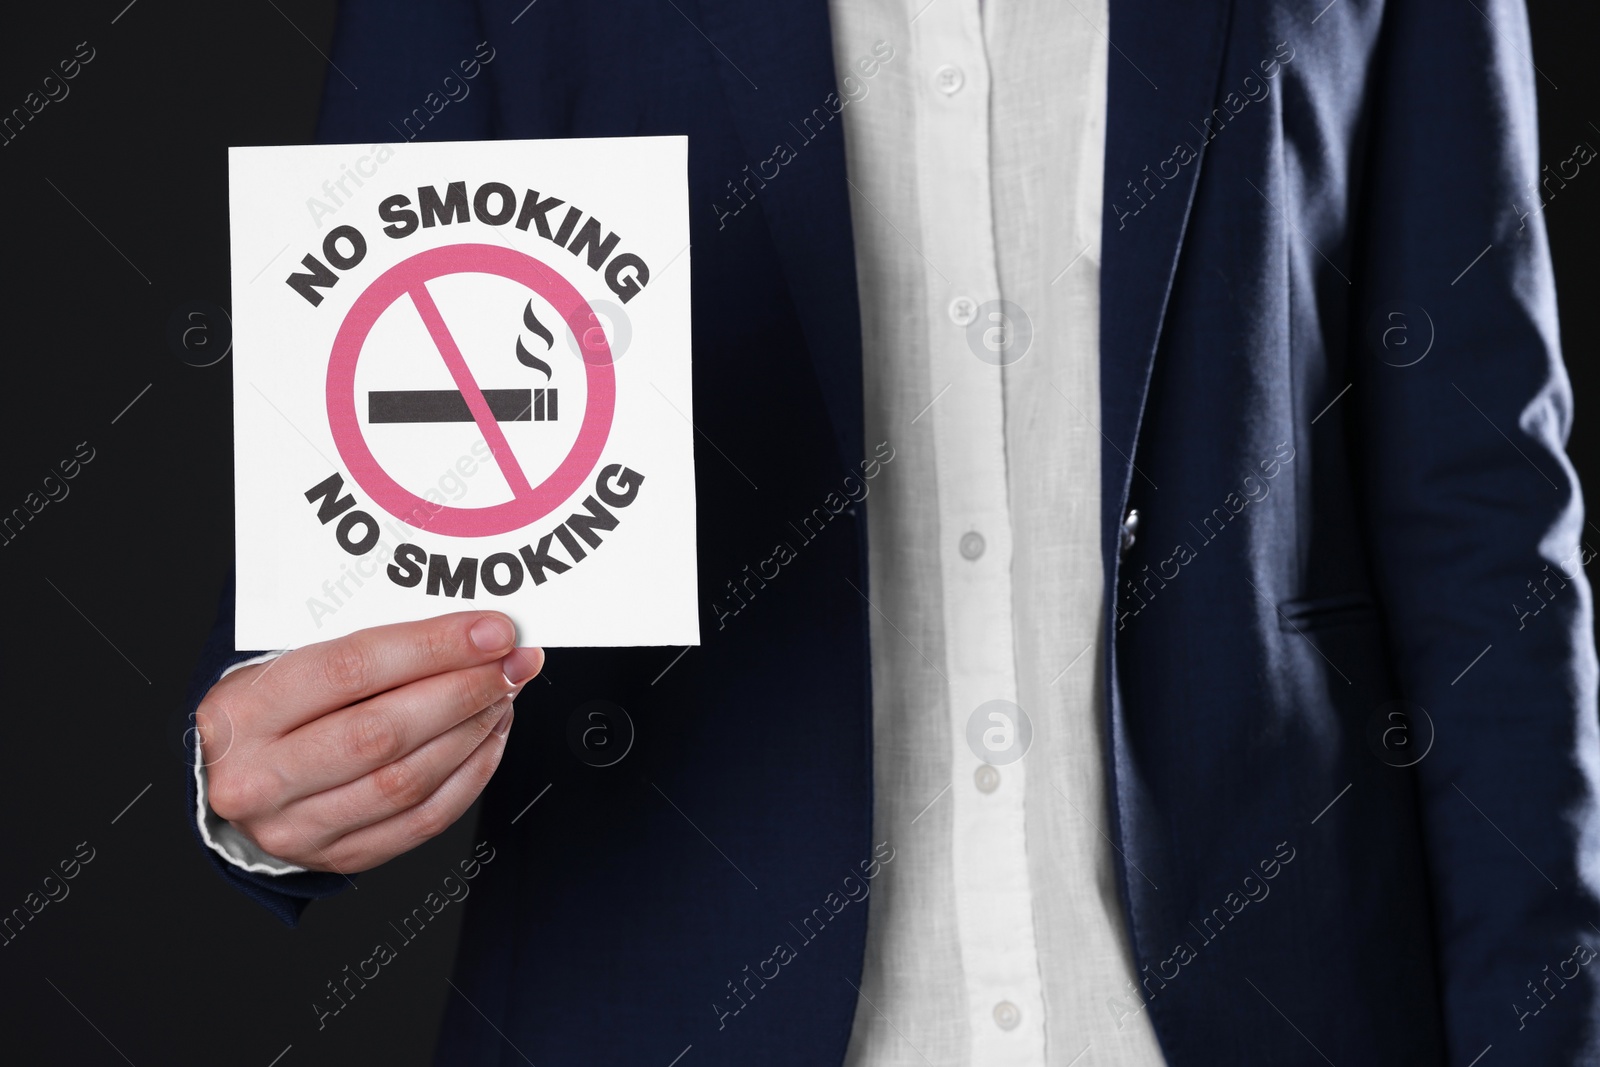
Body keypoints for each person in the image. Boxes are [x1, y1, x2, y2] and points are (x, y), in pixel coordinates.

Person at [186, 0, 1600, 1063]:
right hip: (662, 999)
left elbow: (1485, 528)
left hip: (1279, 1002)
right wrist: (273, 773)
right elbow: (360, 420)